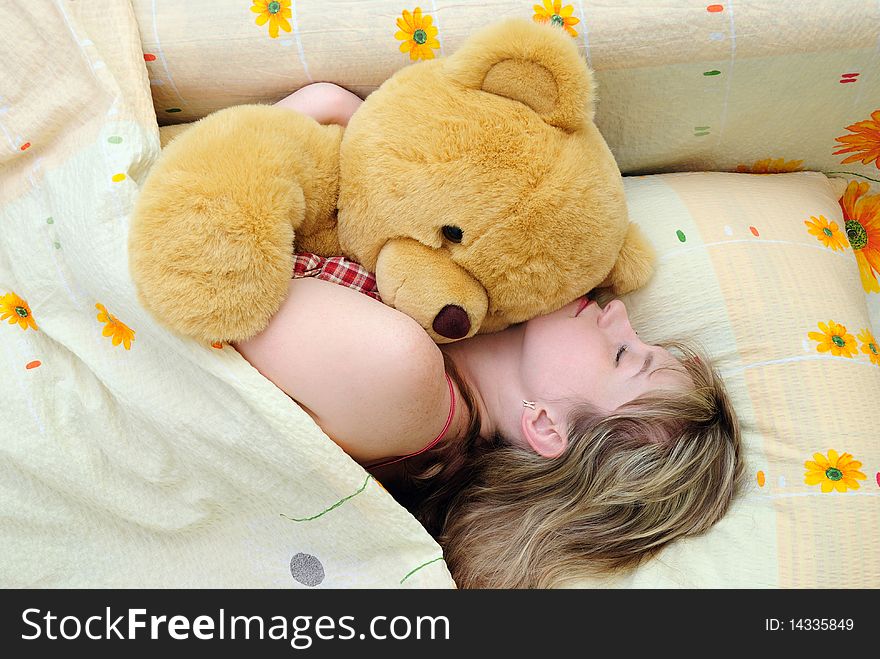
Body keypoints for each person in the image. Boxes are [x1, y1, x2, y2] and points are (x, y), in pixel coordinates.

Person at [233, 83, 746, 588]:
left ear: (548, 426)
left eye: (622, 355)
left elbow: (223, 260)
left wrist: (332, 104)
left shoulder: (400, 370)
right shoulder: (447, 329)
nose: (618, 317)